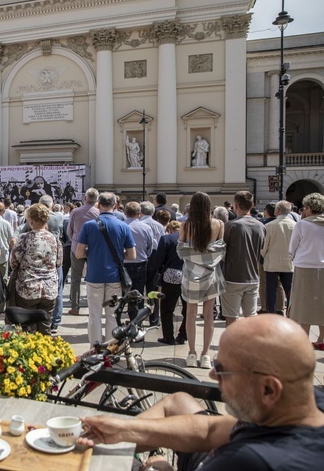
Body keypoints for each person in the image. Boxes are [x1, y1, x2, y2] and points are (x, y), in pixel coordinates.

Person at [77, 314, 324, 471]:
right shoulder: (309, 404)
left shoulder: (248, 461)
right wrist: (122, 429)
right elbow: (211, 429)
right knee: (179, 400)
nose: (213, 377)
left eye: (222, 370)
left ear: (269, 389)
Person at [75, 192, 136, 345]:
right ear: (115, 205)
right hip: (114, 276)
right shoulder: (123, 226)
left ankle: (95, 347)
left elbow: (78, 253)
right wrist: (117, 254)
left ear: (98, 204)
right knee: (112, 315)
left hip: (94, 275)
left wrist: (92, 252)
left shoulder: (89, 225)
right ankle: (111, 348)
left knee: (94, 315)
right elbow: (132, 255)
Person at [177, 192, 225, 369]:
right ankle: (205, 355)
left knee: (190, 314)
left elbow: (181, 250)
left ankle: (191, 353)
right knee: (209, 316)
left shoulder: (186, 225)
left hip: (191, 274)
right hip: (211, 273)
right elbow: (220, 250)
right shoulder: (219, 224)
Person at [9, 203, 62, 335]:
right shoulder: (55, 239)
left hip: (28, 287)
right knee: (45, 326)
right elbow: (59, 262)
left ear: (31, 221)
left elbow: (13, 262)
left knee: (27, 327)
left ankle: (31, 353)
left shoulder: (24, 238)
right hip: (49, 288)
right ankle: (45, 352)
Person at [221, 191, 265, 326]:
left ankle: (232, 346)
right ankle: (251, 344)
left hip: (233, 277)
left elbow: (222, 250)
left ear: (235, 206)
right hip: (252, 276)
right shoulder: (261, 226)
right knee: (251, 316)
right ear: (252, 205)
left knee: (231, 316)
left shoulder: (231, 226)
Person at [288, 193, 324, 349]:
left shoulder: (302, 225)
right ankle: (322, 339)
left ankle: (303, 340)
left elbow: (292, 248)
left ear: (309, 208)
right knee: (322, 305)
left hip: (305, 266)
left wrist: (294, 257)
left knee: (304, 305)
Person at [149, 221, 187, 345]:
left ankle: (168, 336)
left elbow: (159, 259)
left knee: (167, 308)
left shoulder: (166, 239)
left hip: (171, 275)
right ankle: (183, 335)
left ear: (170, 230)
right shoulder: (189, 238)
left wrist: (160, 271)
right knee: (188, 309)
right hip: (188, 274)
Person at [67, 188, 99, 315]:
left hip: (76, 247)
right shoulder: (98, 213)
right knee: (94, 279)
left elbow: (69, 230)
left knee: (75, 278)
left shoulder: (75, 211)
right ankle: (94, 307)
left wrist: (74, 240)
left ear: (85, 198)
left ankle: (75, 306)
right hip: (94, 249)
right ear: (97, 200)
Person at [261, 200, 294, 315]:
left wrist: (263, 255)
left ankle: (271, 314)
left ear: (278, 210)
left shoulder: (269, 225)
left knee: (271, 291)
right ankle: (291, 314)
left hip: (272, 263)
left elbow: (264, 246)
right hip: (289, 262)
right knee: (290, 292)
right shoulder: (295, 225)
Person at [123, 202, 154, 320]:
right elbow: (150, 248)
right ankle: (136, 323)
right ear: (139, 213)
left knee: (122, 296)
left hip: (124, 265)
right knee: (139, 296)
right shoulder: (146, 228)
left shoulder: (121, 226)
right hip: (140, 264)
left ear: (125, 213)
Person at [0, 201, 15, 279]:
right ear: (3, 211)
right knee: (3, 279)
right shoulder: (6, 223)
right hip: (3, 255)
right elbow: (11, 240)